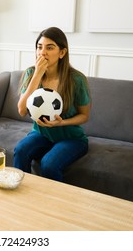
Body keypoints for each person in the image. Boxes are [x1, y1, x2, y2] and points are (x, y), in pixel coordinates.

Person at [13, 27, 91, 182]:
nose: (43, 52)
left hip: (71, 138)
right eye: (39, 47)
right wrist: (37, 74)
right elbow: (22, 110)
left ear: (62, 53)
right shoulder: (31, 74)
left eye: (50, 48)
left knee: (48, 164)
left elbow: (84, 116)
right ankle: (20, 199)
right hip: (41, 133)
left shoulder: (76, 79)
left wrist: (62, 122)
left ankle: (53, 205)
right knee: (20, 151)